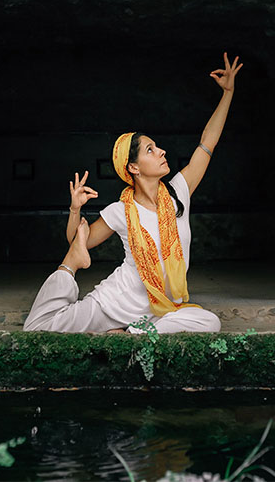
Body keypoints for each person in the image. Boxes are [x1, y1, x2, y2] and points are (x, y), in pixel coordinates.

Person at [23, 51, 243, 334]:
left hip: (159, 311)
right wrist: (75, 210)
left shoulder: (179, 193)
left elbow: (207, 144)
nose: (162, 151)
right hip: (112, 304)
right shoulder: (120, 211)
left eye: (157, 146)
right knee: (40, 327)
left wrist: (228, 93)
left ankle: (131, 334)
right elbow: (77, 242)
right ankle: (123, 324)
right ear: (134, 168)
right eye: (150, 150)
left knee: (209, 322)